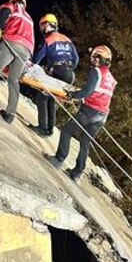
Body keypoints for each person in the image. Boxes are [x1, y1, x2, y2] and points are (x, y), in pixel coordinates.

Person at [46, 46, 115, 181]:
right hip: (102, 115)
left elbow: (87, 92)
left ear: (97, 58)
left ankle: (59, 159)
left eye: (95, 56)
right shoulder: (111, 77)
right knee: (85, 142)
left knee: (66, 131)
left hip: (90, 111)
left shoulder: (96, 71)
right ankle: (77, 173)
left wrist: (72, 95)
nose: (93, 59)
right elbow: (98, 92)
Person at [0, 0, 34, 123]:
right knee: (14, 79)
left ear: (14, 0)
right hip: (27, 49)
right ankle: (10, 114)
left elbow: (3, 15)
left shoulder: (13, 6)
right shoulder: (29, 17)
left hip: (12, 40)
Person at [30, 14, 79, 136]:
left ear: (47, 25)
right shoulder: (66, 39)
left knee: (42, 97)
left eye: (42, 25)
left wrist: (31, 64)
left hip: (58, 72)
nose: (41, 29)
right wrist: (68, 68)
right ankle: (50, 129)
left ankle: (42, 127)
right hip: (69, 74)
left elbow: (37, 58)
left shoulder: (49, 39)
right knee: (51, 99)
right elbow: (76, 59)